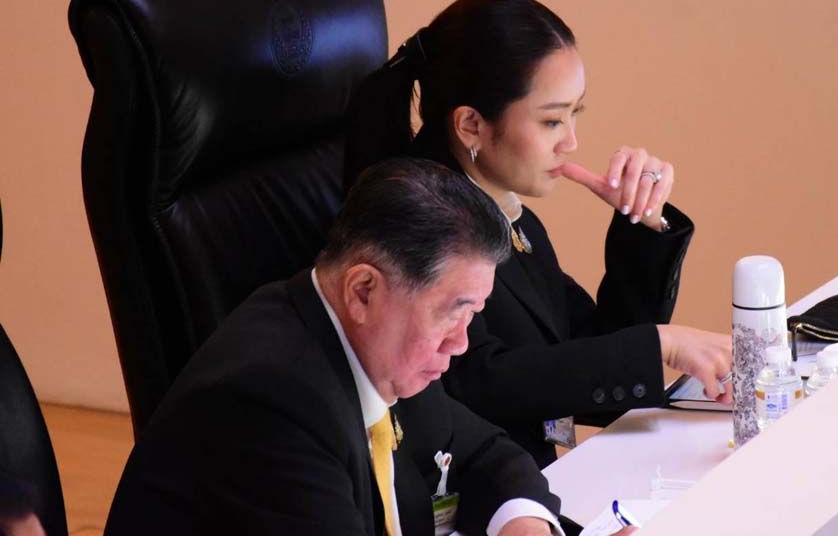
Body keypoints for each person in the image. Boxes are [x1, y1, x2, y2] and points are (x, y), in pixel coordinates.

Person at [344, 0, 733, 469]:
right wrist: (660, 343)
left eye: (574, 114)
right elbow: (475, 383)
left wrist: (643, 223)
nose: (571, 142)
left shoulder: (508, 215)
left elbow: (589, 362)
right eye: (551, 121)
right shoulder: (414, 221)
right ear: (471, 125)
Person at [104, 159, 580, 536]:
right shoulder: (271, 405)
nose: (461, 342)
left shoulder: (374, 345)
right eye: (451, 312)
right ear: (363, 291)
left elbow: (484, 452)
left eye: (471, 314)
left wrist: (524, 523)